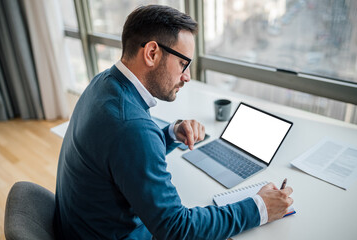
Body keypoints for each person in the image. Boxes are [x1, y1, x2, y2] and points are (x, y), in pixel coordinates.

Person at [54, 5, 293, 240]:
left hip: (82, 226)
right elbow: (177, 229)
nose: (187, 77)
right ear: (151, 53)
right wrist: (259, 208)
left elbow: (121, 150)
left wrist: (170, 134)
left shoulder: (104, 83)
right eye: (183, 64)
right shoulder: (131, 127)